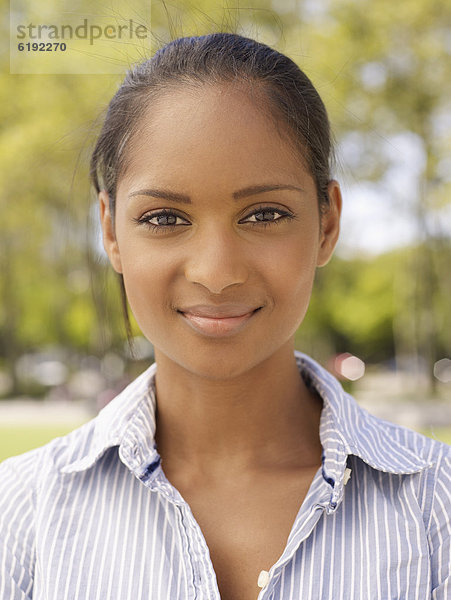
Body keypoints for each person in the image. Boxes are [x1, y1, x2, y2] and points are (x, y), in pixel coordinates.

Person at [0, 32, 449, 600]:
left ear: (327, 224)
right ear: (110, 230)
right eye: (165, 218)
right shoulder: (21, 516)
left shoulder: (438, 508)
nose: (216, 273)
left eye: (264, 213)